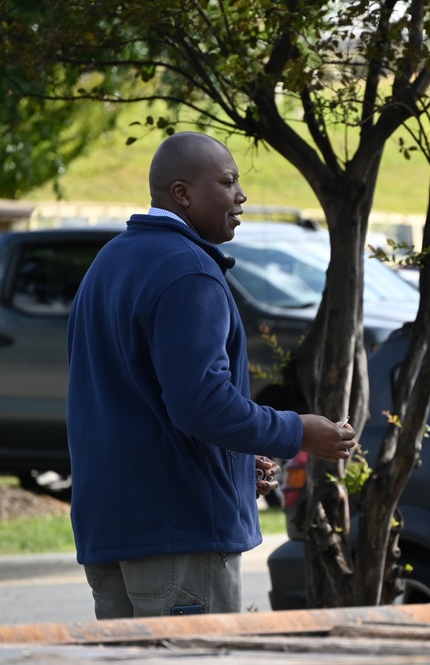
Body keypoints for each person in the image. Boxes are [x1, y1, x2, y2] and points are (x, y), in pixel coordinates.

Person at [66, 131, 356, 619]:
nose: (241, 196)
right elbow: (201, 404)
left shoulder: (109, 261)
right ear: (182, 193)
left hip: (111, 528)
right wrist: (300, 431)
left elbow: (148, 403)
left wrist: (237, 464)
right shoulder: (189, 271)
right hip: (179, 534)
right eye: (228, 182)